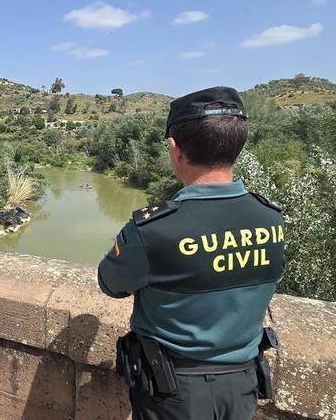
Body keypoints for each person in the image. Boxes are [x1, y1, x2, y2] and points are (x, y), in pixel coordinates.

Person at [98, 86, 285, 420]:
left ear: (175, 149)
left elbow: (110, 283)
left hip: (173, 392)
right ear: (237, 146)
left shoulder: (153, 229)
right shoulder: (270, 219)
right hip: (243, 386)